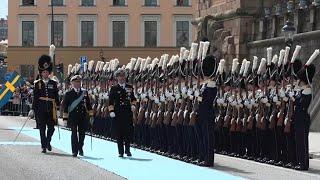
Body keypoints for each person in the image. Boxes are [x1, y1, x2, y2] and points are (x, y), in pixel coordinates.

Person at [29, 55, 60, 153]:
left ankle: (48, 142)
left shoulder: (53, 83)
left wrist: (58, 109)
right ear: (41, 73)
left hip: (51, 109)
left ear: (49, 73)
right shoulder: (37, 83)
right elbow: (35, 97)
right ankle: (43, 146)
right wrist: (32, 109)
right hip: (40, 109)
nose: (45, 73)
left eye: (47, 72)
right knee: (42, 128)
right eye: (43, 72)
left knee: (51, 128)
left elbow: (56, 96)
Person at [63, 75, 93, 157]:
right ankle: (74, 150)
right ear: (72, 83)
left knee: (82, 133)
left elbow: (88, 104)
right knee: (74, 133)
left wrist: (91, 115)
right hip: (73, 116)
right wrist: (65, 119)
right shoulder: (68, 93)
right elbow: (66, 107)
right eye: (76, 82)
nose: (78, 83)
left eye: (79, 82)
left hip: (82, 116)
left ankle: (80, 147)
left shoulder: (84, 92)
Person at [108, 68, 137, 157]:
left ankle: (127, 150)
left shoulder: (129, 87)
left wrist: (133, 105)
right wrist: (111, 111)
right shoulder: (114, 88)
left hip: (127, 112)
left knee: (127, 132)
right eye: (120, 76)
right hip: (118, 113)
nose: (122, 78)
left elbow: (133, 99)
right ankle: (120, 151)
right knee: (119, 132)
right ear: (117, 78)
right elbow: (110, 101)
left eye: (123, 76)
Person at [293, 63, 315, 170]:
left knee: (302, 142)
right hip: (298, 118)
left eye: (300, 80)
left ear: (303, 80)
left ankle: (303, 164)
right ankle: (301, 162)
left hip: (303, 118)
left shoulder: (307, 90)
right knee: (299, 141)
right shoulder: (302, 90)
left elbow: (303, 104)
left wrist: (295, 98)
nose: (298, 82)